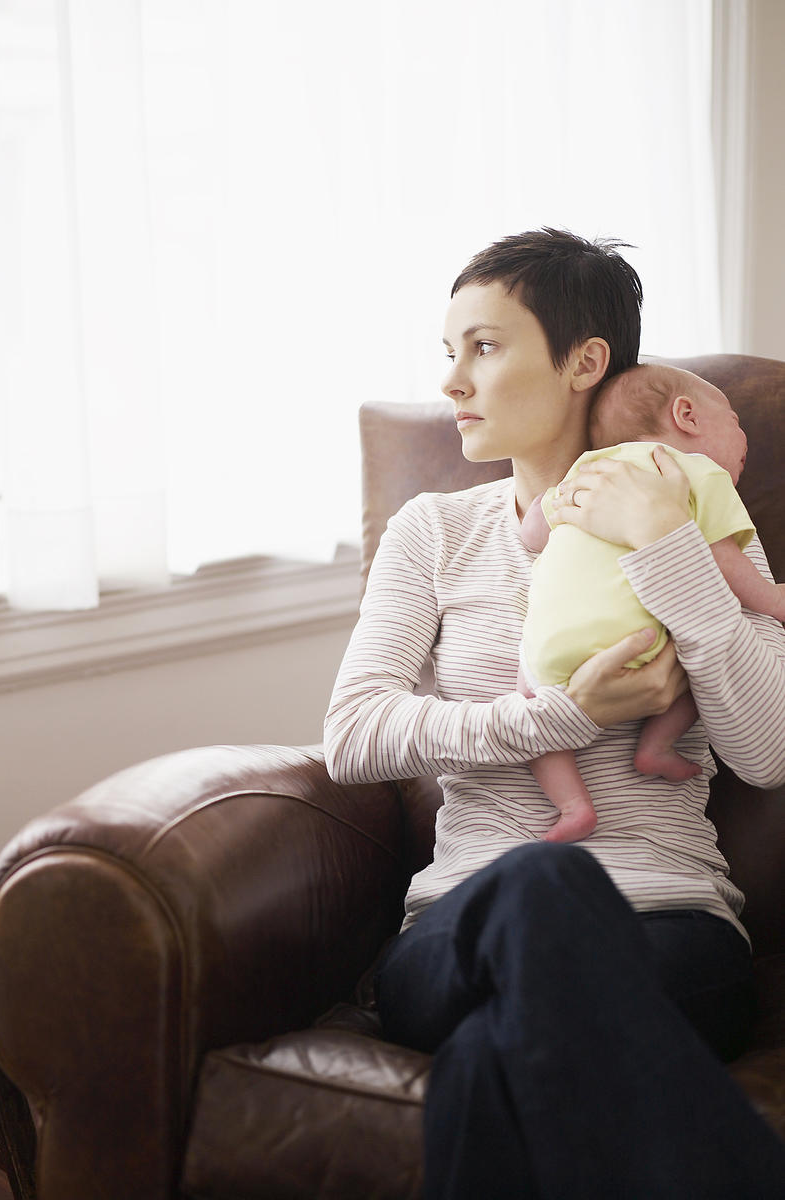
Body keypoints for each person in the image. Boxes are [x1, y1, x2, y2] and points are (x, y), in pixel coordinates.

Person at [323, 228, 785, 1198]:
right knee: (541, 884)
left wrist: (666, 544)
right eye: (448, 354)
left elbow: (769, 749)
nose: (454, 382)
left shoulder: (699, 511)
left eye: (484, 348)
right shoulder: (437, 532)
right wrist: (551, 720)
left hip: (674, 931)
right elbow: (355, 731)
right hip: (461, 927)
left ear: (585, 362)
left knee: (493, 1057)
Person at [519, 361, 785, 843]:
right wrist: (771, 598)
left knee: (529, 694)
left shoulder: (588, 469)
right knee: (691, 669)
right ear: (686, 415)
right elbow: (722, 554)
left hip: (548, 652)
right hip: (637, 643)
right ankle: (656, 744)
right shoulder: (699, 471)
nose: (744, 435)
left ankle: (573, 806)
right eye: (735, 420)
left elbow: (533, 534)